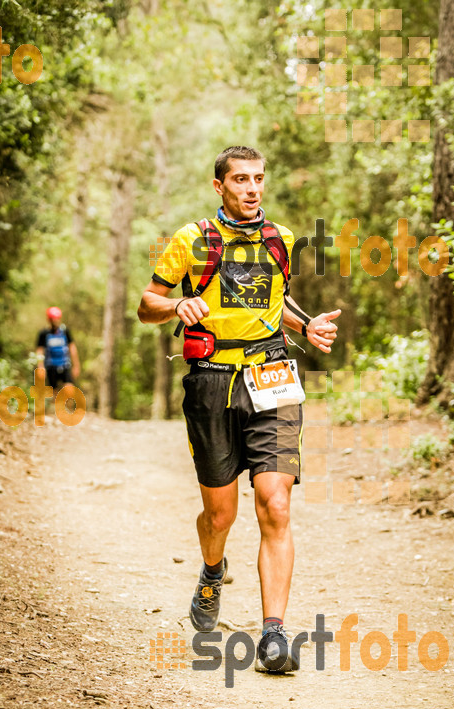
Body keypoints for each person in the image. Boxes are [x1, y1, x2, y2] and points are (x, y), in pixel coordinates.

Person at [137, 145, 340, 673]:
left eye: (259, 179)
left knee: (275, 503)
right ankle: (211, 572)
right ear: (219, 185)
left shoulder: (280, 240)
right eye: (241, 179)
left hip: (271, 375)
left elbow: (276, 303)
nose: (253, 188)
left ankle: (273, 636)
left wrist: (306, 325)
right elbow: (146, 304)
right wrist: (177, 304)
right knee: (220, 512)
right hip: (211, 381)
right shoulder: (192, 240)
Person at [36, 306, 80, 396]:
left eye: (56, 319)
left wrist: (76, 365)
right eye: (53, 320)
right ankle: (56, 408)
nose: (55, 322)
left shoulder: (65, 331)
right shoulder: (44, 333)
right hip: (51, 366)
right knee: (54, 392)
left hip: (65, 365)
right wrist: (40, 367)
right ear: (49, 320)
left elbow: (72, 348)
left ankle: (67, 408)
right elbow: (39, 351)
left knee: (69, 390)